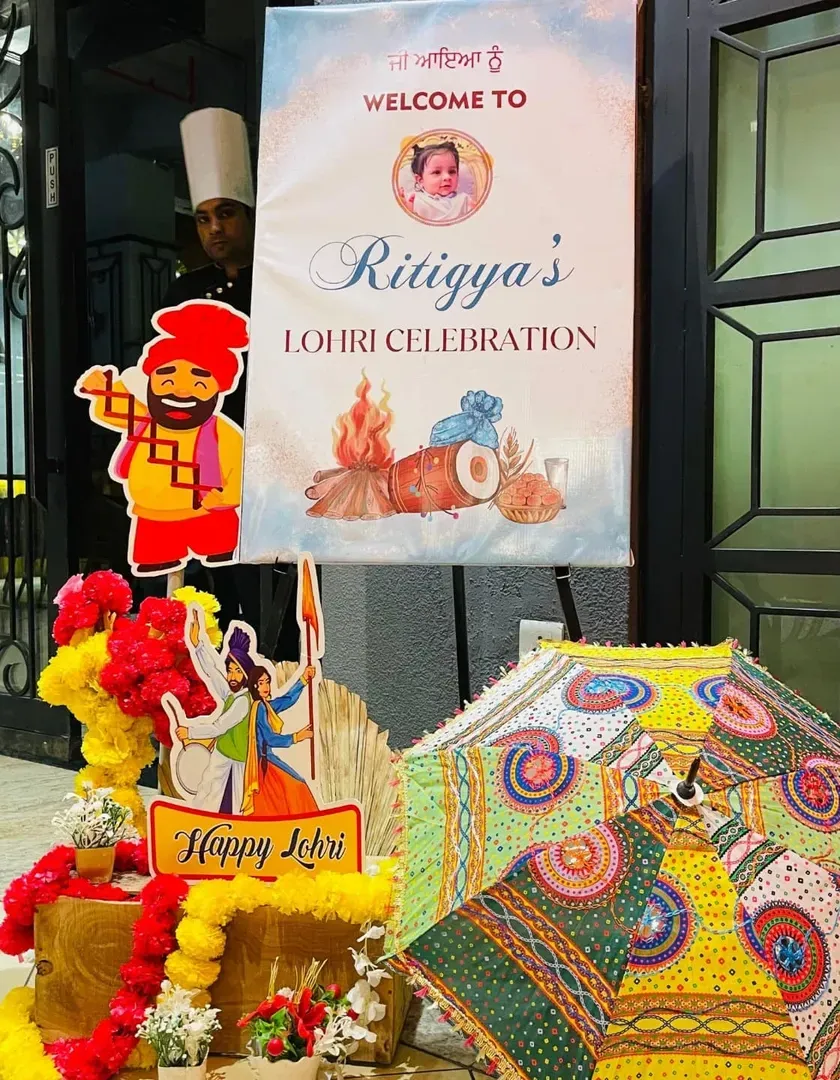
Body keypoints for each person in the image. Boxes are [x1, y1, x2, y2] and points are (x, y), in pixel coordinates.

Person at [161, 107, 261, 630]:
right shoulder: (185, 291)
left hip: (267, 449)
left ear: (250, 214)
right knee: (214, 576)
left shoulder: (279, 279)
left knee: (269, 578)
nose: (215, 228)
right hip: (204, 451)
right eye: (203, 218)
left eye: (226, 213)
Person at [77, 301, 248, 575]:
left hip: (208, 515)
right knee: (157, 564)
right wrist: (101, 388)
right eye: (166, 380)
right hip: (152, 517)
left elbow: (240, 468)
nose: (180, 392)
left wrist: (226, 497)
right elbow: (111, 408)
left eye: (199, 383)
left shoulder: (222, 433)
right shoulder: (143, 418)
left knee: (223, 558)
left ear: (218, 389)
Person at [173, 614, 255, 813]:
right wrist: (198, 646)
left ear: (246, 674)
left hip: (239, 759)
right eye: (230, 670)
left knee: (237, 799)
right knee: (207, 789)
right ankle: (197, 819)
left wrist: (190, 732)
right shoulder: (232, 695)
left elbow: (219, 727)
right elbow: (211, 673)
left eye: (237, 671)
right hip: (223, 753)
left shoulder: (243, 702)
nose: (232, 676)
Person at [241, 664, 319, 817]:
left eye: (267, 682)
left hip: (268, 760)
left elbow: (286, 700)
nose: (266, 687)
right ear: (254, 686)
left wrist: (303, 680)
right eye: (261, 683)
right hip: (265, 763)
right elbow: (270, 738)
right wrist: (296, 737)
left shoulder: (266, 706)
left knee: (281, 798)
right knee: (297, 785)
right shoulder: (259, 708)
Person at [402, 141, 473, 223]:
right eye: (437, 172)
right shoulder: (414, 200)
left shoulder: (464, 200)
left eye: (452, 171)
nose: (447, 177)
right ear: (420, 180)